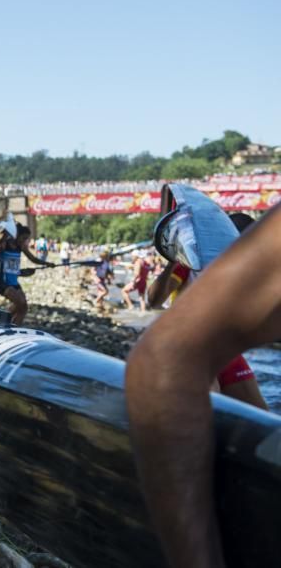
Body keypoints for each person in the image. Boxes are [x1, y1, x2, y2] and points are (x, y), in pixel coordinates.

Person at [125, 204, 281, 568]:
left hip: (227, 354)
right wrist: (171, 263)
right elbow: (153, 303)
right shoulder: (187, 263)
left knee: (263, 427)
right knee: (205, 432)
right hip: (204, 348)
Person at [145, 212, 268, 410]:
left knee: (262, 418)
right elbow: (153, 301)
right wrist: (172, 260)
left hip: (224, 350)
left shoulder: (245, 272)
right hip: (190, 347)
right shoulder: (192, 260)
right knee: (212, 411)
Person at [0, 219, 52, 326]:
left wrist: (47, 263)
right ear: (17, 235)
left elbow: (33, 259)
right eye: (24, 238)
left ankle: (4, 323)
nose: (25, 241)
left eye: (27, 239)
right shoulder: (4, 244)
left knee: (23, 308)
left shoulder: (21, 247)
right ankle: (7, 324)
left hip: (14, 282)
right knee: (20, 304)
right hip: (2, 281)